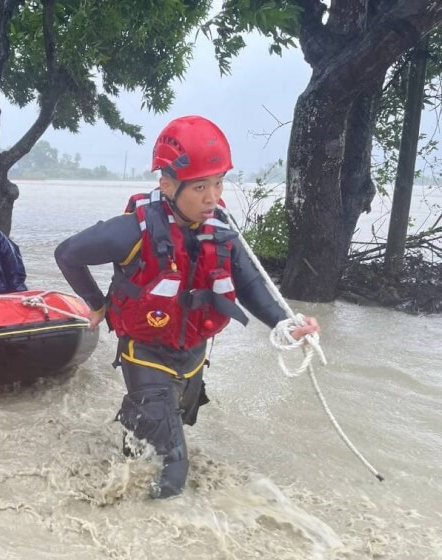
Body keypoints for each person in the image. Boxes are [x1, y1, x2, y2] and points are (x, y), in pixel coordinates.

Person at [54, 116, 320, 499]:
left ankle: (123, 486)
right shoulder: (131, 231)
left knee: (152, 441)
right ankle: (150, 539)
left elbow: (249, 285)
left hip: (193, 355)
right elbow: (67, 254)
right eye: (199, 186)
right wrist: (99, 305)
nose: (212, 197)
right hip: (144, 353)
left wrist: (286, 325)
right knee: (175, 465)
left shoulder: (220, 229)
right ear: (167, 185)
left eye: (218, 183)